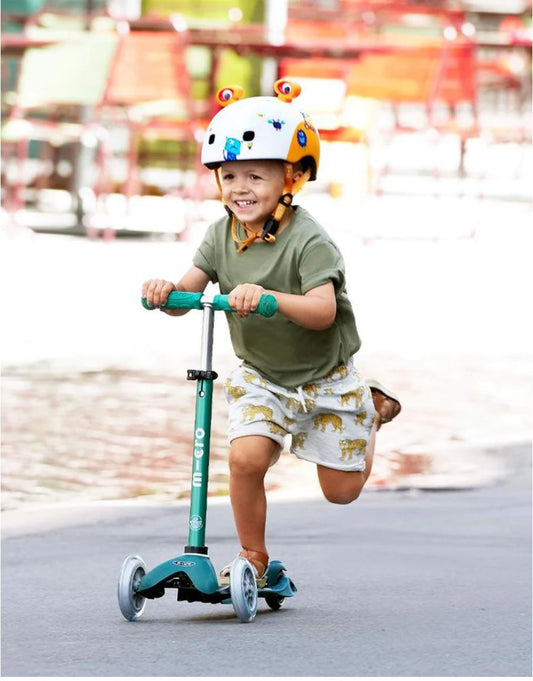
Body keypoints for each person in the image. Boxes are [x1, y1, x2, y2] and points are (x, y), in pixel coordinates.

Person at [142, 79, 401, 582]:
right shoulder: (220, 235)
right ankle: (253, 558)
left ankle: (371, 413)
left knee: (340, 492)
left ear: (292, 178)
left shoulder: (309, 239)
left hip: (326, 377)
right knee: (245, 458)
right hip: (264, 377)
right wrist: (164, 292)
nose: (241, 188)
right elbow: (189, 294)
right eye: (230, 175)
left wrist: (268, 300)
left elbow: (323, 311)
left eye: (256, 176)